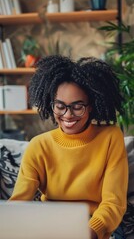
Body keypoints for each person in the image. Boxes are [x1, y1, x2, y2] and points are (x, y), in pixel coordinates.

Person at [9, 55, 128, 239]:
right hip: (50, 224)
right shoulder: (38, 145)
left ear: (91, 106)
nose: (68, 115)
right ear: (52, 105)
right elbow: (18, 204)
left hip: (95, 226)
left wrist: (89, 232)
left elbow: (114, 202)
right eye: (60, 106)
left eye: (77, 106)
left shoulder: (111, 137)